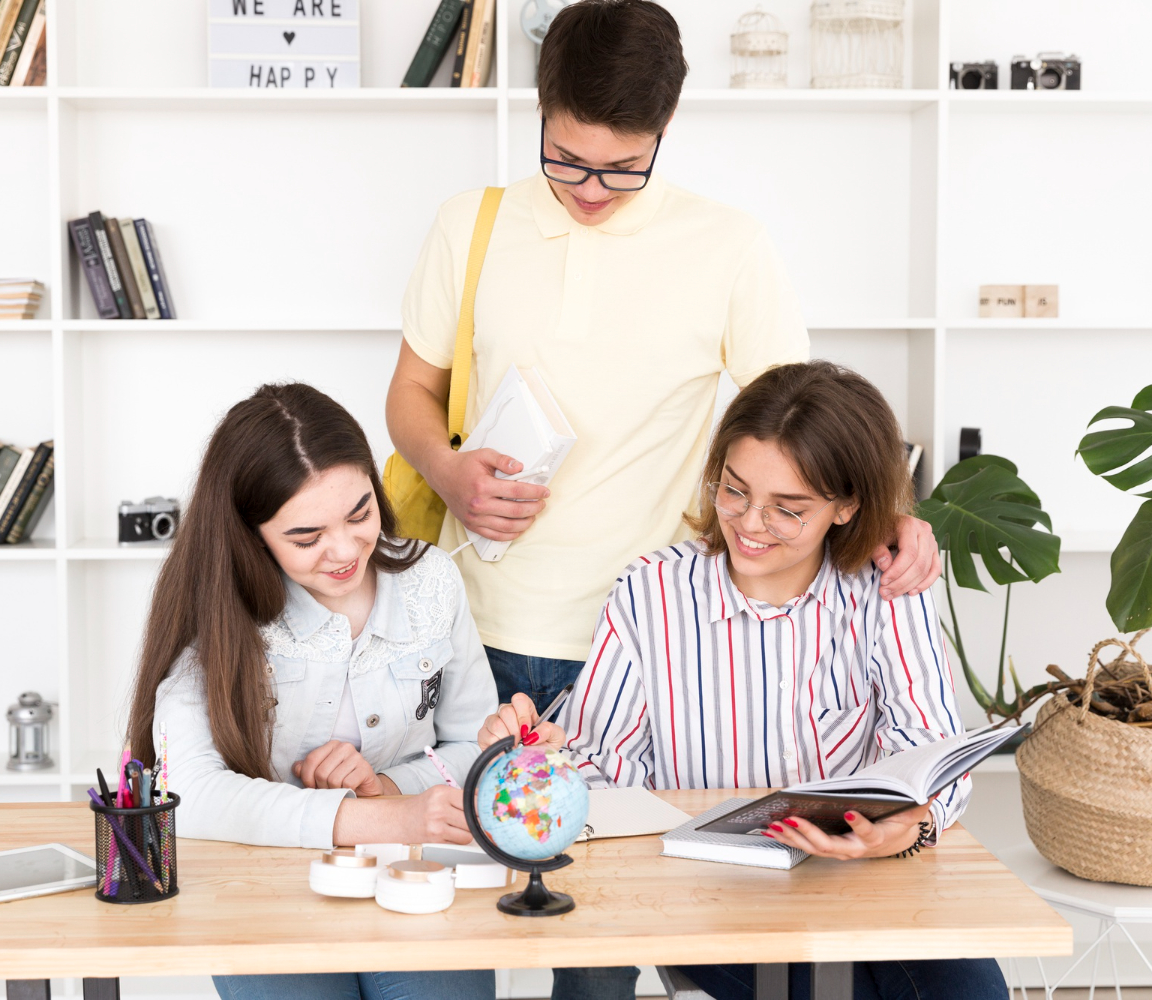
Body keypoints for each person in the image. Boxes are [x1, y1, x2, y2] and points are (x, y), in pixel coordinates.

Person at [386, 0, 940, 726]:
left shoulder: (730, 247)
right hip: (472, 621)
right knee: (473, 833)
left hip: (656, 631)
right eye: (566, 160)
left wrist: (893, 516)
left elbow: (806, 424)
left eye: (622, 169)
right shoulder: (469, 226)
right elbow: (411, 390)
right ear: (542, 109)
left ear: (666, 126)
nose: (589, 190)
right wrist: (447, 470)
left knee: (636, 837)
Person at [480, 361, 1008, 1000]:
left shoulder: (887, 589)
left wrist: (911, 826)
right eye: (734, 491)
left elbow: (931, 753)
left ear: (846, 507)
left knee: (973, 991)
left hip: (865, 877)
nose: (750, 525)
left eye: (788, 510)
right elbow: (604, 765)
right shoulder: (652, 591)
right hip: (712, 893)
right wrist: (544, 757)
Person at [125, 383, 497, 1000]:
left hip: (412, 878)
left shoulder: (431, 580)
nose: (347, 550)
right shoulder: (218, 610)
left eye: (360, 513)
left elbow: (472, 744)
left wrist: (388, 787)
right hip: (262, 888)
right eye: (306, 538)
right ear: (252, 534)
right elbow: (186, 793)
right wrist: (374, 816)